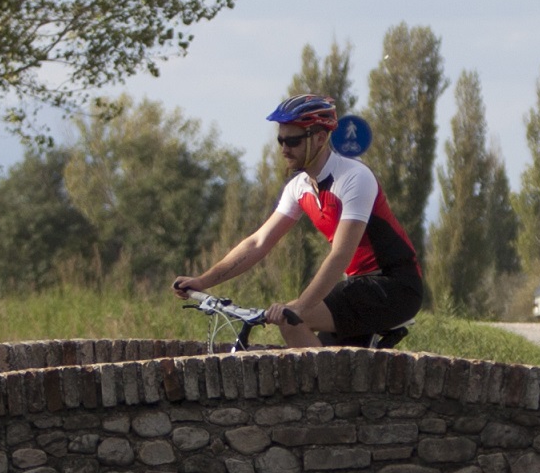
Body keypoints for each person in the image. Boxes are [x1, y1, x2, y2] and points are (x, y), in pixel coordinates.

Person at [172, 95, 425, 348]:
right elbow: (258, 243)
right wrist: (203, 281)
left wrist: (300, 307)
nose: (284, 149)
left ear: (319, 138)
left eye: (292, 141)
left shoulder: (354, 178)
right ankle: (333, 387)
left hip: (395, 285)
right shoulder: (298, 187)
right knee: (334, 363)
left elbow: (340, 255)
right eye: (281, 140)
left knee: (293, 321)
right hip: (358, 287)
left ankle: (325, 388)